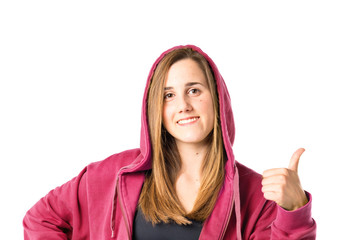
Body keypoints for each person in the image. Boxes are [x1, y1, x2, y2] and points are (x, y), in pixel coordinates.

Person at [23, 45, 316, 239]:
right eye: (169, 95)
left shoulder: (255, 195)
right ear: (156, 108)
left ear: (217, 99)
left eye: (194, 90)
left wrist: (294, 212)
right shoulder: (111, 175)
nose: (183, 105)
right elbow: (41, 219)